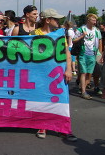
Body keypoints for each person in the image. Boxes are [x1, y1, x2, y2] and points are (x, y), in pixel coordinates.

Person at [30, 9, 76, 142]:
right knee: (41, 99)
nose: (59, 21)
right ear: (47, 20)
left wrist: (68, 69)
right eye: (56, 19)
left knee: (61, 100)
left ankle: (63, 128)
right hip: (40, 74)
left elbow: (67, 52)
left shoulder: (60, 34)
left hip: (58, 74)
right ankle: (42, 125)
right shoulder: (33, 34)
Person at [73, 13, 103, 100]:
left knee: (89, 74)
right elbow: (74, 40)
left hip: (92, 55)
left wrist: (99, 54)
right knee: (83, 72)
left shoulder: (97, 31)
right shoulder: (81, 29)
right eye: (93, 20)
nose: (95, 21)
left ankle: (83, 88)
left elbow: (100, 42)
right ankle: (83, 91)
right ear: (88, 20)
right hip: (83, 54)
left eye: (95, 20)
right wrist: (82, 36)